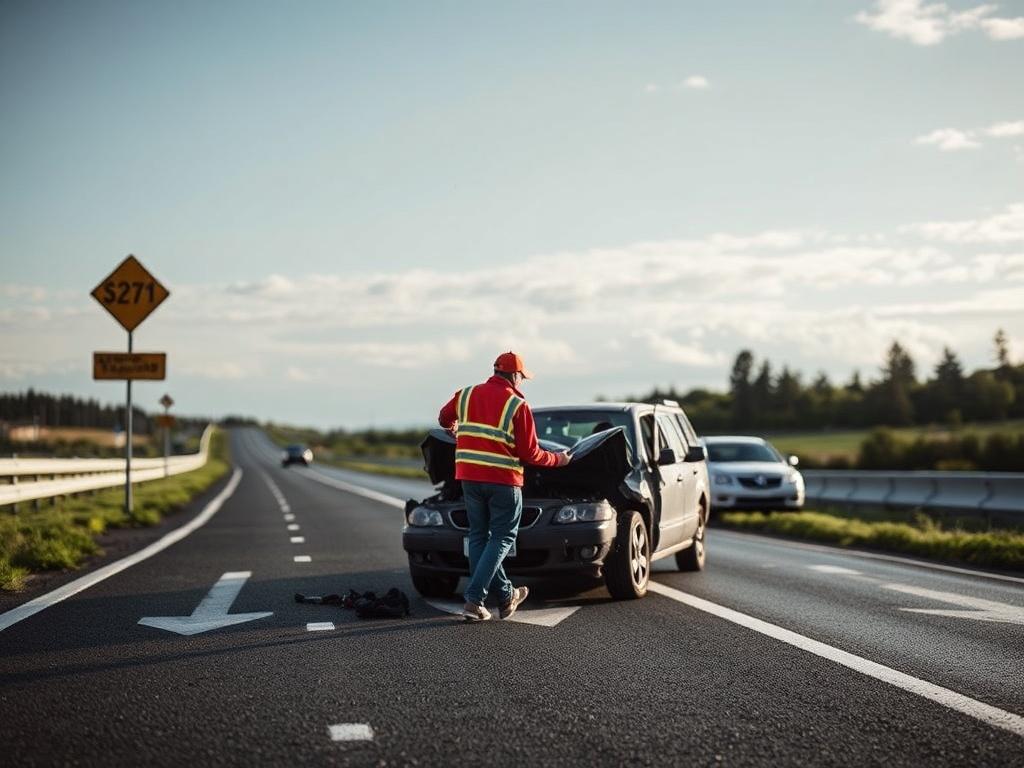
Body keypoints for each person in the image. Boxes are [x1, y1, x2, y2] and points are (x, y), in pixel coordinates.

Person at [438, 351, 570, 622]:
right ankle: (474, 600)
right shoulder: (517, 404)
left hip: (469, 478)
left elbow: (443, 418)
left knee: (478, 537)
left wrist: (454, 429)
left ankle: (506, 594)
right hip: (503, 481)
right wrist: (559, 460)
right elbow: (530, 453)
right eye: (522, 377)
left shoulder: (467, 394)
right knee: (502, 537)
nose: (522, 382)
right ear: (514, 375)